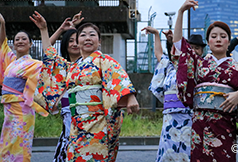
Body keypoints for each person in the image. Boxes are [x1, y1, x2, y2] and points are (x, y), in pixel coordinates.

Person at [31, 11, 139, 162]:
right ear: (77, 41)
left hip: (98, 123)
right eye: (83, 35)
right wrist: (43, 29)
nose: (87, 38)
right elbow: (50, 56)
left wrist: (130, 96)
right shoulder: (72, 67)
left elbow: (118, 77)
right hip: (76, 125)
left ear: (99, 41)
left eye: (92, 35)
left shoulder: (104, 60)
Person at [173, 0, 238, 162]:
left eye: (223, 36)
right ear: (208, 41)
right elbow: (180, 44)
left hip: (225, 124)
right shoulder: (199, 62)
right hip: (200, 124)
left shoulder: (237, 67)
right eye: (214, 36)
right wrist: (180, 12)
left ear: (228, 41)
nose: (218, 39)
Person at [0, 13, 48, 162]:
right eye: (17, 39)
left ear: (30, 44)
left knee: (21, 147)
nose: (20, 41)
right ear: (13, 44)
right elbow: (2, 41)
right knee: (6, 147)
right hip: (9, 110)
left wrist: (48, 30)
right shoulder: (11, 61)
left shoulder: (35, 64)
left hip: (22, 110)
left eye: (24, 39)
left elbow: (49, 60)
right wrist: (2, 22)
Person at [143, 26, 193, 162]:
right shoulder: (169, 67)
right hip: (169, 117)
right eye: (172, 50)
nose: (174, 52)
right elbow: (158, 53)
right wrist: (156, 34)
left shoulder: (192, 69)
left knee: (187, 150)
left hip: (187, 115)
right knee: (168, 151)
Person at [48, 11, 83, 162]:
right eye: (70, 41)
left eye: (77, 40)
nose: (74, 44)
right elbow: (47, 50)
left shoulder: (91, 63)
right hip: (67, 113)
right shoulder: (61, 65)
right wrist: (63, 30)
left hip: (86, 114)